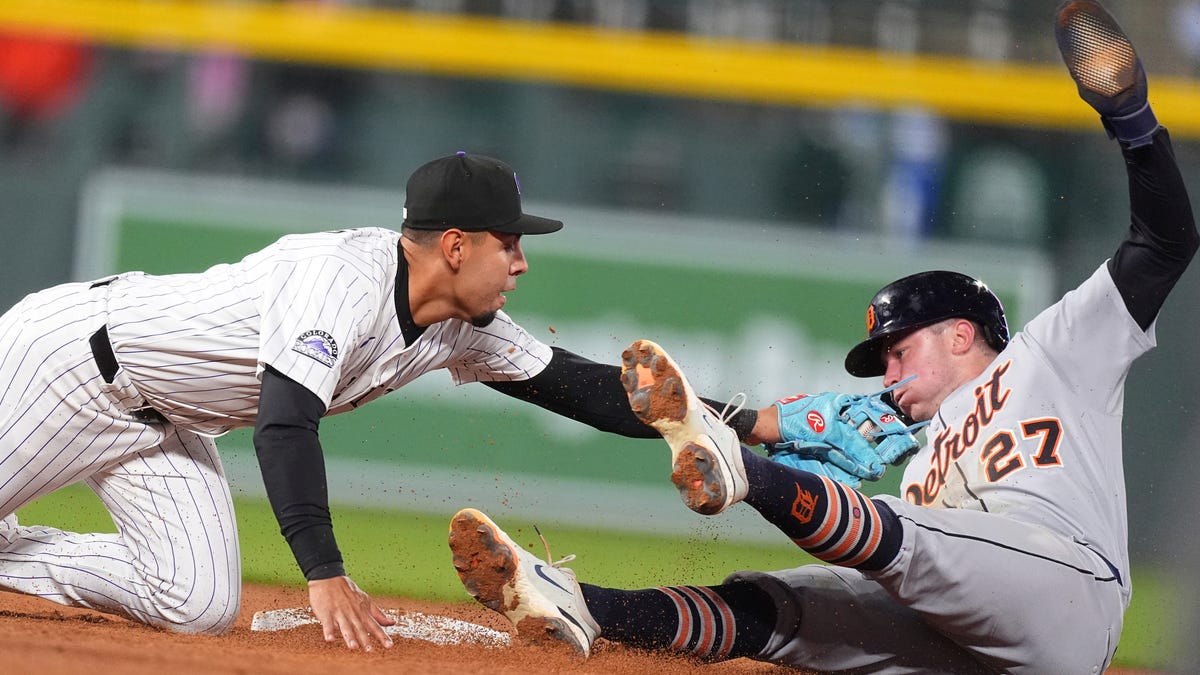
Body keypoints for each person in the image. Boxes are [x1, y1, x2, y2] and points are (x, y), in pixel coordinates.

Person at [448, 2, 1198, 672]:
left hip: (1068, 594)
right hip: (974, 648)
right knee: (789, 605)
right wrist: (772, 425)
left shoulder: (1055, 352)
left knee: (912, 539)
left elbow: (1166, 241)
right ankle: (584, 604)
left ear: (964, 331)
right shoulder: (922, 456)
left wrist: (1132, 120)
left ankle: (744, 474)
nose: (890, 372)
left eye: (900, 350)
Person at [0, 150, 761, 650]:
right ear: (457, 247)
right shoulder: (339, 278)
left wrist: (748, 422)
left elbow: (585, 388)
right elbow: (283, 427)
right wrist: (324, 570)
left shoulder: (460, 325)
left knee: (196, 601)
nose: (522, 264)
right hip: (69, 365)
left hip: (166, 423)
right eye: (510, 243)